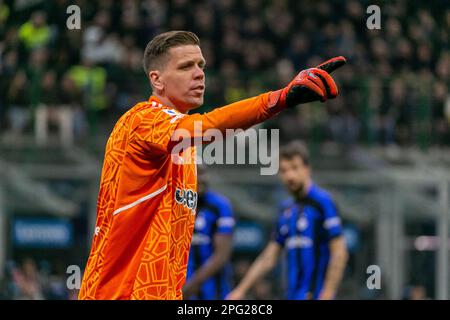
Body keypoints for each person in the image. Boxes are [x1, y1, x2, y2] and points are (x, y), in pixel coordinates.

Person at [78, 30, 346, 300]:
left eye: (201, 65)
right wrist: (280, 99)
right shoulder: (141, 121)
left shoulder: (185, 150)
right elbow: (209, 125)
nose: (199, 73)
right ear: (156, 80)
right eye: (186, 67)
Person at [227, 141, 348, 300]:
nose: (290, 175)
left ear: (307, 169)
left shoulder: (323, 203)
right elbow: (269, 257)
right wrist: (240, 291)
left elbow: (339, 252)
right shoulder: (285, 209)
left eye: (294, 168)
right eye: (284, 170)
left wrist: (327, 293)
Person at [183, 165, 235, 300]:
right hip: (181, 289)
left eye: (203, 173)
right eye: (196, 174)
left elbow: (222, 255)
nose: (201, 178)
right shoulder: (176, 205)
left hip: (214, 293)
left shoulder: (219, 205)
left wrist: (190, 286)